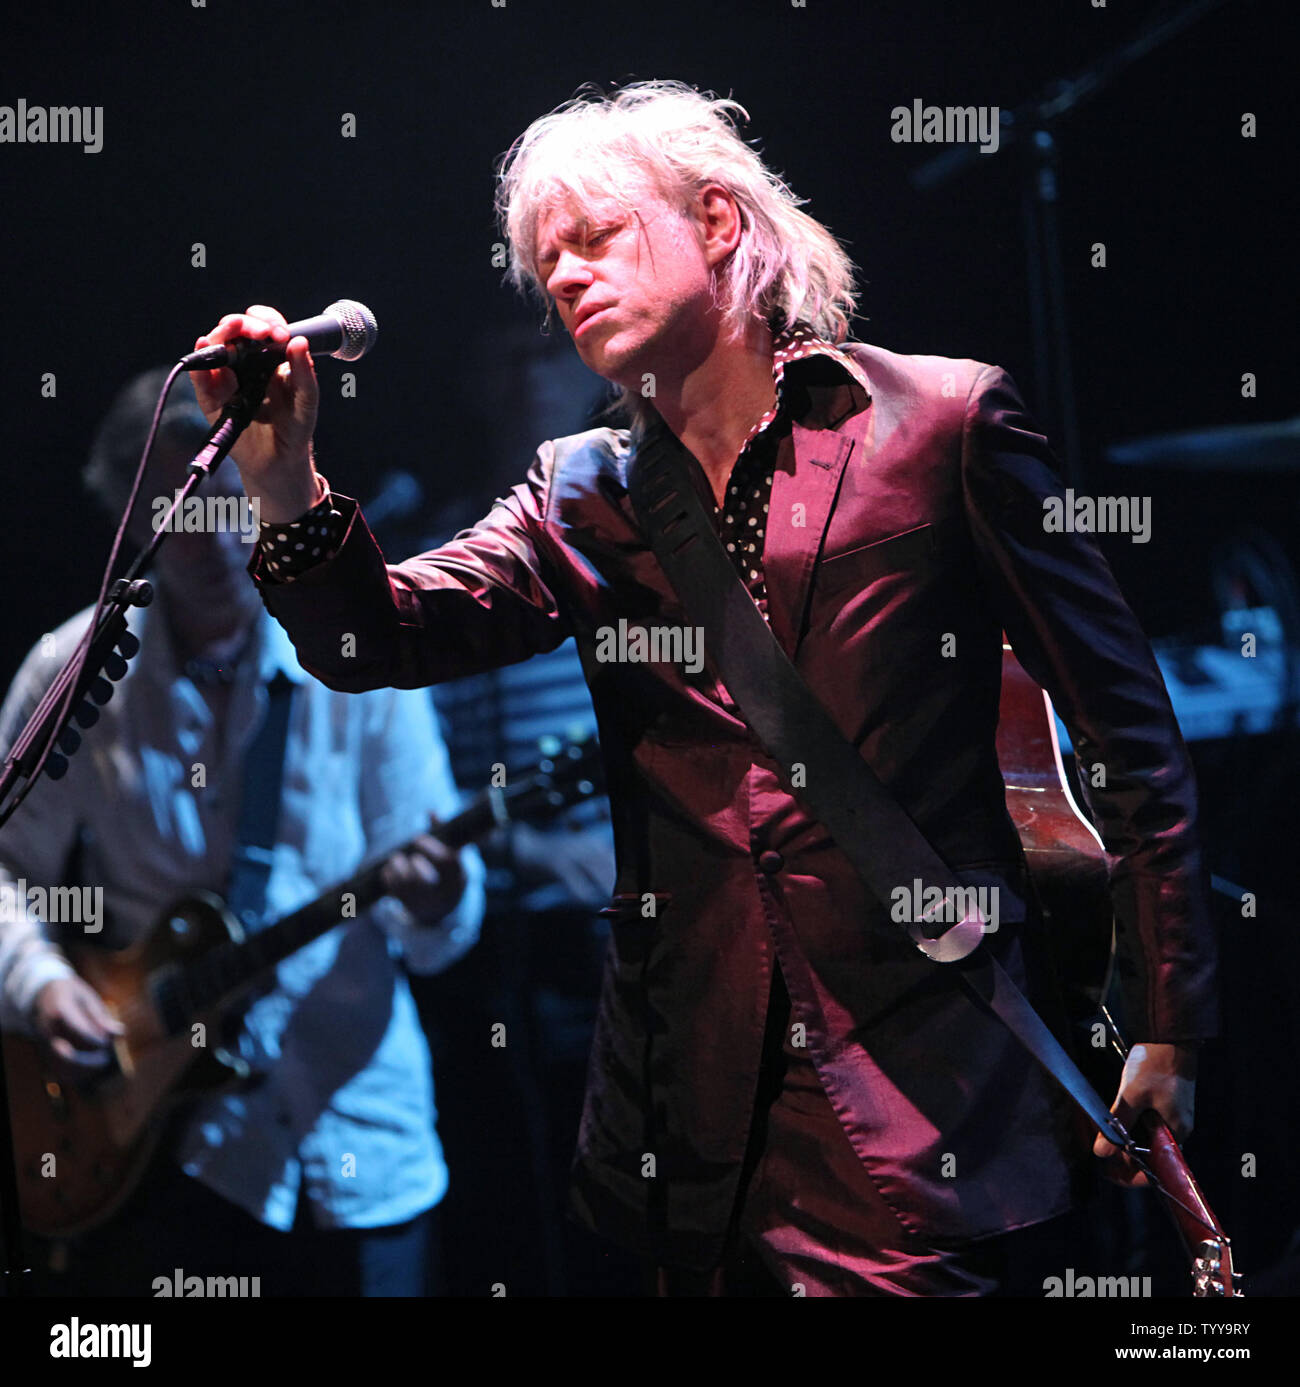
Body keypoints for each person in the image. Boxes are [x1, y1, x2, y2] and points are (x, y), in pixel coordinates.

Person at [187, 80, 1217, 1296]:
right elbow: (376, 644)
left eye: (597, 237)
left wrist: (1168, 1020)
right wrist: (286, 480)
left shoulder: (939, 423)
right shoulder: (579, 492)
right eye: (545, 261)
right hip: (690, 1112)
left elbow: (1129, 737)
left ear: (718, 224)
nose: (564, 278)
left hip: (925, 1094)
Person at [0, 368, 484, 1296]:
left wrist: (444, 894)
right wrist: (42, 987)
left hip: (357, 1138)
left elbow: (437, 941)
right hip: (168, 1149)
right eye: (180, 507)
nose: (212, 535)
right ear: (133, 518)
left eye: (231, 502)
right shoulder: (72, 673)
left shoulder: (359, 655)